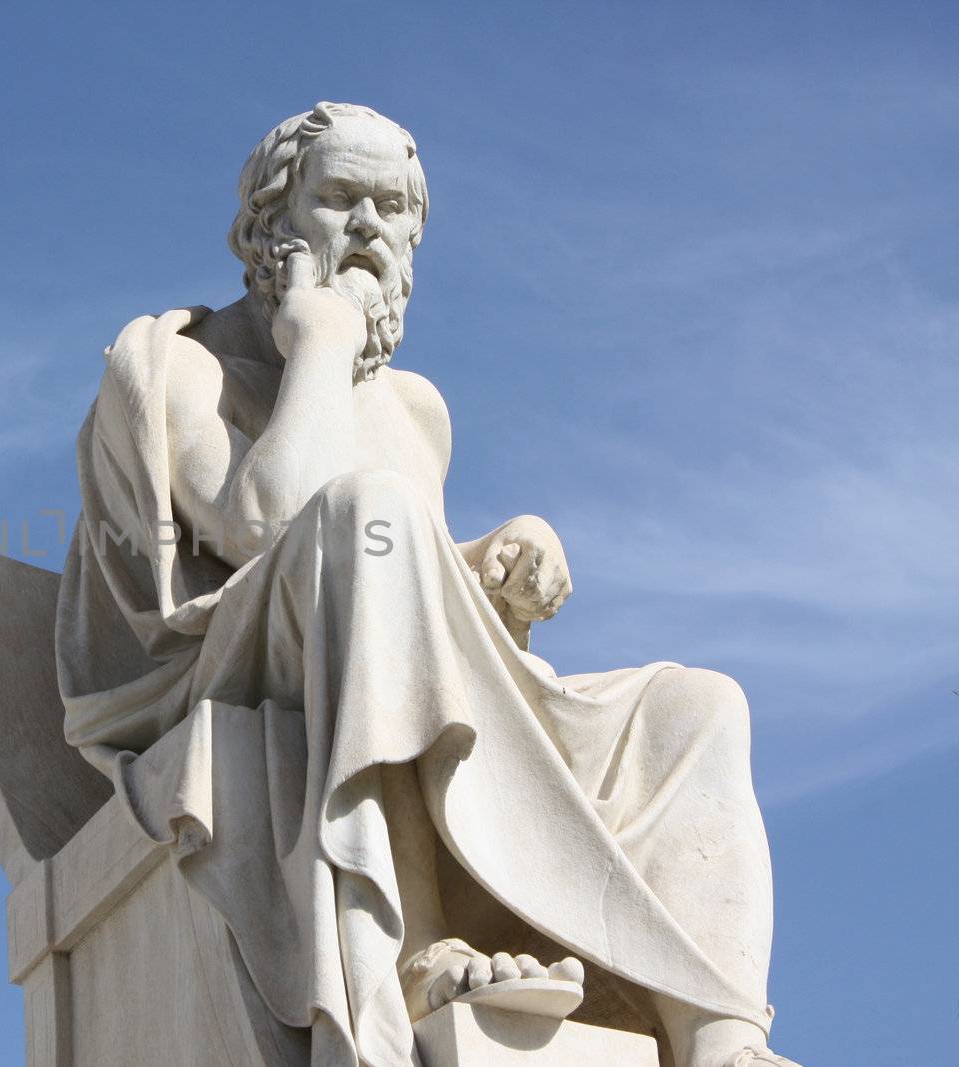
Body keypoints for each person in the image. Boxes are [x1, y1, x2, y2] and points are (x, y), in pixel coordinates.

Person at [55, 103, 798, 1067]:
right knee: (370, 515)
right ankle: (408, 946)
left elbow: (411, 594)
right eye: (341, 197)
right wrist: (318, 338)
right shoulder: (171, 362)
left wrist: (497, 561)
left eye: (395, 207)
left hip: (340, 624)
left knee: (695, 707)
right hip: (212, 672)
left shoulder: (414, 407)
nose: (371, 227)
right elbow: (270, 523)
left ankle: (721, 1033)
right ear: (269, 224)